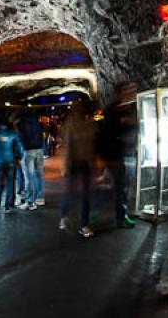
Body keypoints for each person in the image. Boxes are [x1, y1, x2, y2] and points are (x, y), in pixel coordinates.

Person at [59, 100, 98, 238]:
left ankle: (83, 225)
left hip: (85, 164)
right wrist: (65, 166)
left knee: (85, 195)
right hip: (73, 163)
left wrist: (93, 164)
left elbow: (92, 145)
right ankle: (64, 215)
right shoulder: (71, 125)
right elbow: (67, 146)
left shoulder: (90, 124)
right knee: (70, 192)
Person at [100, 83, 137, 229]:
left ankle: (125, 212)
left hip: (129, 152)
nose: (131, 93)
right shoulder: (112, 110)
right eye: (128, 90)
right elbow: (107, 133)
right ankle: (121, 217)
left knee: (125, 185)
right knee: (120, 186)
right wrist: (123, 122)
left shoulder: (131, 107)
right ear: (119, 93)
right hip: (115, 155)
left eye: (133, 90)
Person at [0, 122, 23, 212]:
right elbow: (18, 147)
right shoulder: (12, 134)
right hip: (10, 161)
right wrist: (19, 156)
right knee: (10, 183)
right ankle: (8, 205)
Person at [17, 113, 46, 210]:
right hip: (39, 150)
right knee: (39, 174)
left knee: (29, 176)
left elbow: (20, 138)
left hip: (28, 150)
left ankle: (30, 202)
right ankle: (40, 198)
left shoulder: (21, 123)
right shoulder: (38, 123)